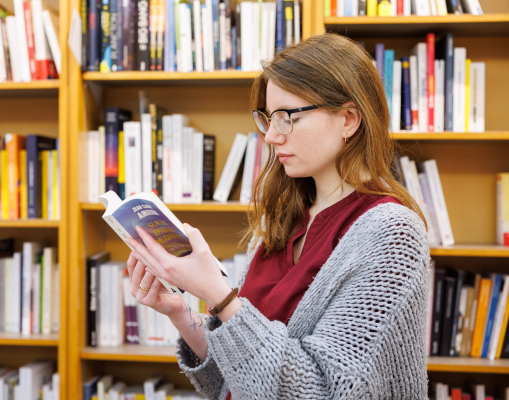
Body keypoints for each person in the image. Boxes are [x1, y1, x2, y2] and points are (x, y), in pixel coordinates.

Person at [125, 33, 430, 399]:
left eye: (286, 117)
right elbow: (237, 378)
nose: (270, 136)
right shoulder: (289, 219)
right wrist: (180, 311)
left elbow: (320, 392)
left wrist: (217, 294)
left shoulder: (392, 233)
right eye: (267, 118)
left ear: (349, 119)